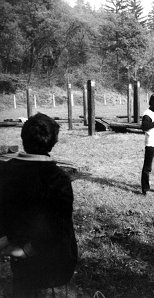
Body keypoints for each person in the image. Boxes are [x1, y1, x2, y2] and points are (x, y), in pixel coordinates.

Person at [0, 113, 78, 296]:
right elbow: (59, 227)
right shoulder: (58, 179)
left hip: (19, 259)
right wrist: (27, 250)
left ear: (23, 138)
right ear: (53, 142)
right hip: (54, 265)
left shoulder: (5, 171)